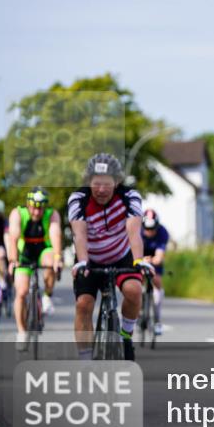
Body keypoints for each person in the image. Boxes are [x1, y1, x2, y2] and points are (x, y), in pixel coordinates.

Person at [68, 153, 154, 361]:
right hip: (90, 257)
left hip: (121, 255)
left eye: (107, 184)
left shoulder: (129, 197)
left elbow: (134, 231)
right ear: (89, 182)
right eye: (96, 183)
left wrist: (139, 260)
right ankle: (85, 358)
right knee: (84, 304)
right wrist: (82, 262)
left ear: (117, 182)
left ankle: (125, 335)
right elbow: (79, 234)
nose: (101, 190)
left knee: (134, 291)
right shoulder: (78, 199)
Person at [7, 188, 62, 346]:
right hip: (24, 253)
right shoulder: (18, 213)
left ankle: (46, 296)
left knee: (51, 261)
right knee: (22, 292)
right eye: (33, 207)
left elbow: (55, 234)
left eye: (40, 207)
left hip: (44, 249)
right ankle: (22, 332)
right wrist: (12, 260)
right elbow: (13, 237)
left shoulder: (52, 214)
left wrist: (58, 258)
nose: (37, 212)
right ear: (27, 204)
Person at [141, 208, 170, 335]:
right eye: (147, 229)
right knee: (136, 282)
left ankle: (157, 319)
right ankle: (139, 310)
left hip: (153, 258)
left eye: (153, 229)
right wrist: (141, 260)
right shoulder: (136, 231)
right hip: (139, 256)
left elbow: (160, 254)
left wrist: (154, 260)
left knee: (157, 281)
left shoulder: (163, 232)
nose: (150, 232)